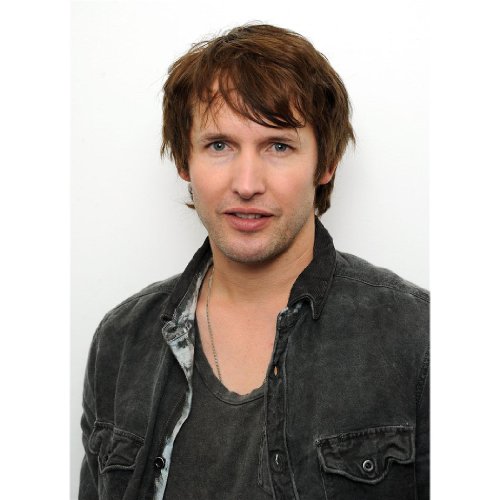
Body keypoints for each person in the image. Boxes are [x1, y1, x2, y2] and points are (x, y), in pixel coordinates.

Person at [79, 24, 429, 500]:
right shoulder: (120, 343)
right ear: (184, 160)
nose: (247, 183)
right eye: (219, 145)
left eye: (278, 146)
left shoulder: (418, 337)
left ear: (325, 163)